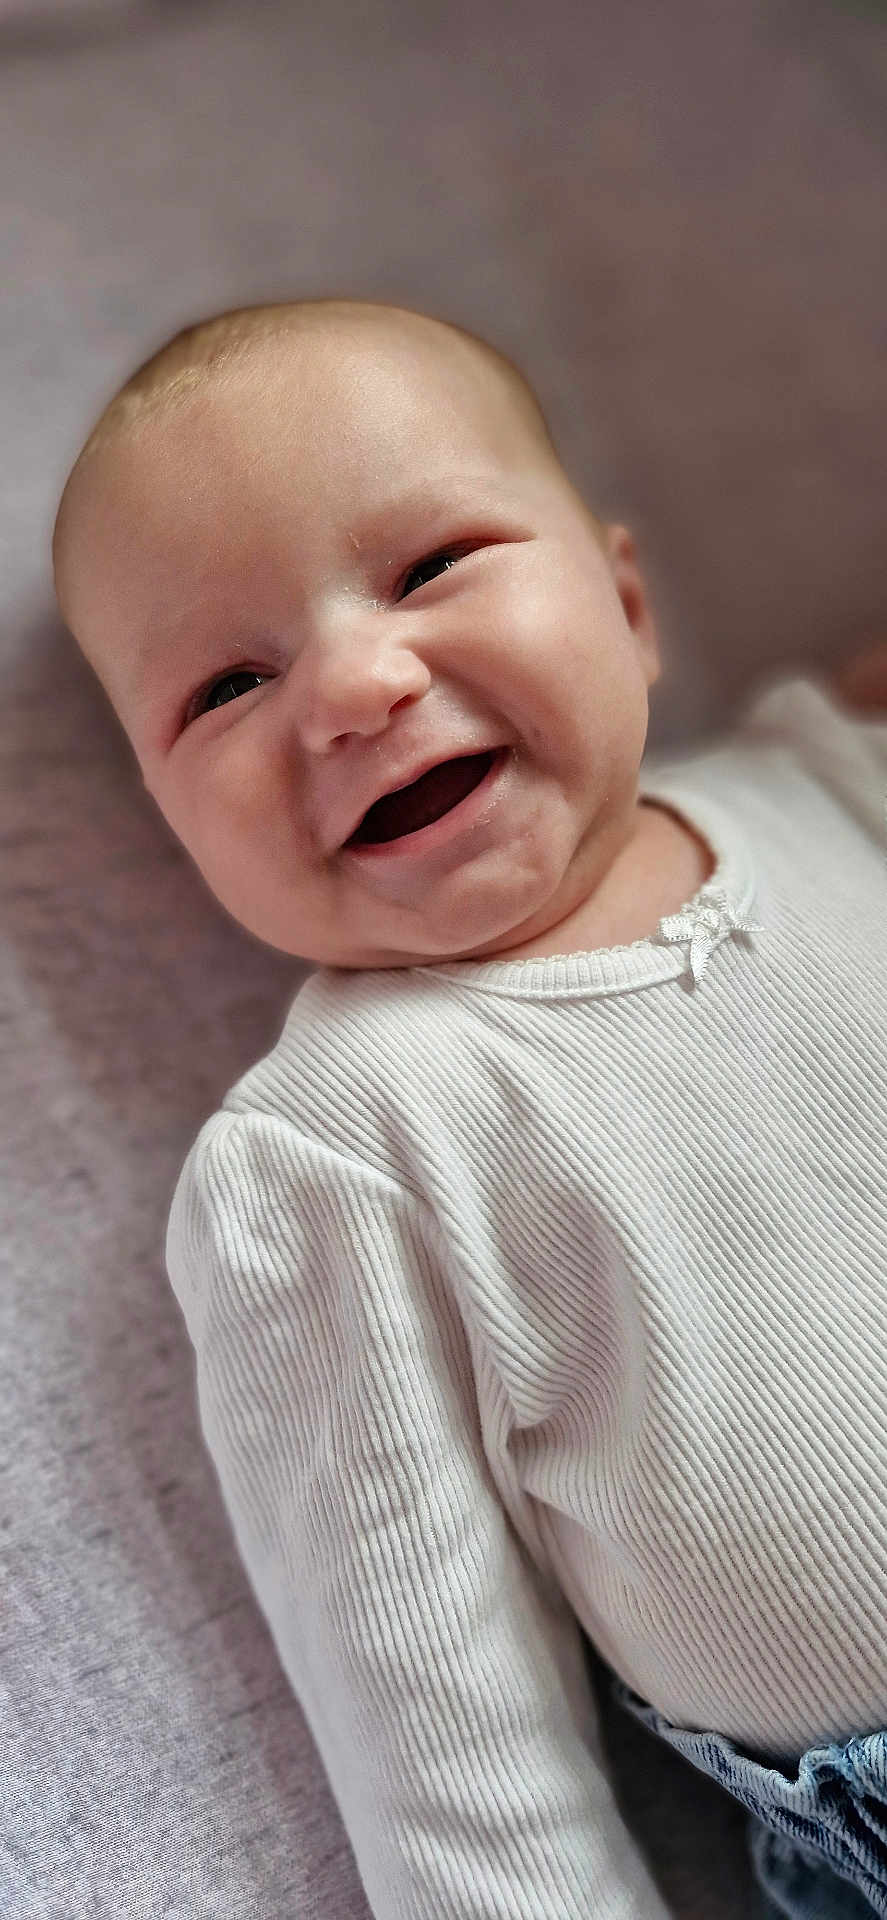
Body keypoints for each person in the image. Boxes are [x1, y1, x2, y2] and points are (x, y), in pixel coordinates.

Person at [52, 297, 887, 1919]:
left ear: (629, 604)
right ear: (172, 828)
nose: (358, 684)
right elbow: (443, 1739)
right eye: (226, 686)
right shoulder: (338, 1149)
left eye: (430, 567)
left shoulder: (835, 781)